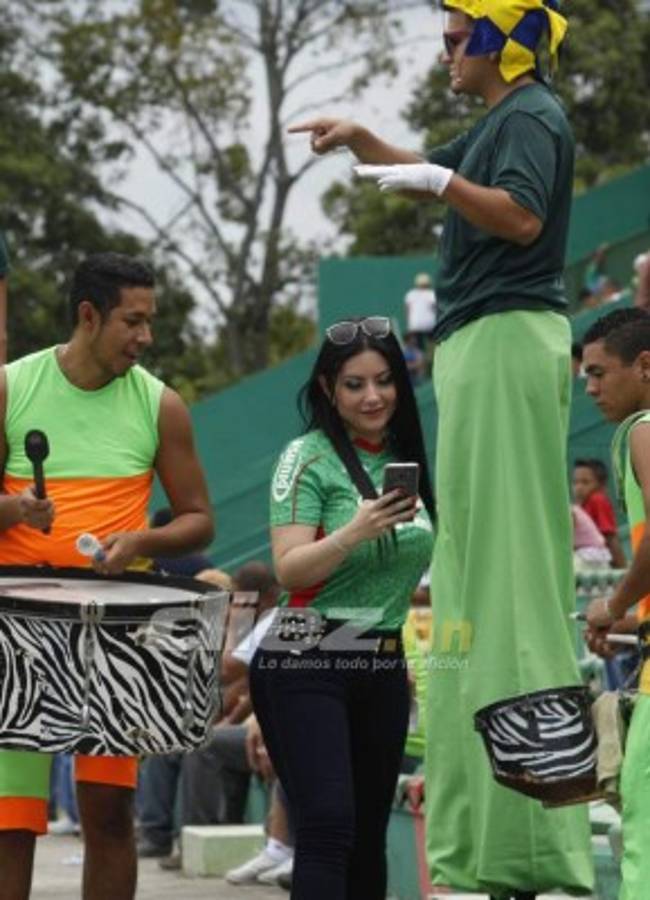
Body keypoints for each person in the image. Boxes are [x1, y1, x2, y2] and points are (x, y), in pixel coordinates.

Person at [288, 2, 593, 897]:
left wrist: (434, 181)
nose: (445, 50)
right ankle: (497, 835)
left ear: (503, 42)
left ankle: (531, 827)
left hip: (505, 336)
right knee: (471, 570)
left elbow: (523, 220)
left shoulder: (532, 115)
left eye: (460, 36)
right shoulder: (500, 120)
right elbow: (425, 171)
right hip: (479, 344)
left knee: (504, 572)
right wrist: (365, 139)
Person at [0, 252, 214, 900]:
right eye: (133, 321)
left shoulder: (161, 405)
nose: (145, 337)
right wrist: (12, 509)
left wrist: (145, 539)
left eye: (150, 321)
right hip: (17, 630)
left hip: (113, 634)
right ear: (89, 316)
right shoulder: (11, 387)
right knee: (9, 823)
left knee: (110, 816)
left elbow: (199, 520)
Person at [249, 316, 435, 900]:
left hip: (379, 659)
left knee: (367, 836)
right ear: (329, 389)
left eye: (383, 380)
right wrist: (354, 530)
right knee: (328, 826)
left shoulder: (409, 456)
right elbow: (289, 569)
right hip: (305, 651)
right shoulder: (305, 456)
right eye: (354, 384)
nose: (372, 395)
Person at [582, 307, 650, 899]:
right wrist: (629, 621)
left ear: (645, 366)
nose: (592, 388)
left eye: (600, 373)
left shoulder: (642, 429)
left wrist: (612, 603)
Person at [573, 458, 627, 569]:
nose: (579, 487)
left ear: (601, 485)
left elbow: (610, 537)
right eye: (575, 482)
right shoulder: (580, 507)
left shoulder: (597, 500)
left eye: (585, 482)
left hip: (598, 562)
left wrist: (622, 569)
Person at [403, 272, 436, 351]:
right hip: (430, 324)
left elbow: (407, 310)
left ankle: (422, 360)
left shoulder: (410, 294)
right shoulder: (431, 293)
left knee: (419, 347)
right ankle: (430, 359)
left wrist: (409, 324)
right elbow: (434, 308)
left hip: (415, 324)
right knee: (432, 344)